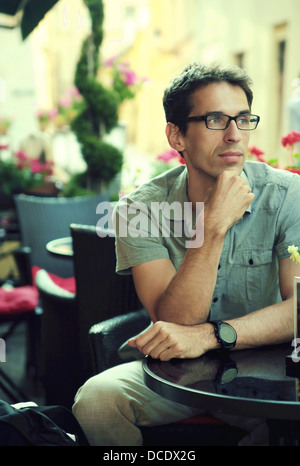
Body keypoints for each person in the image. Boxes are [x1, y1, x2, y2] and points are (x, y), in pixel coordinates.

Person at [72, 62, 300, 446]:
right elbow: (175, 319)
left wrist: (214, 336)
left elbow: (298, 308)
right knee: (96, 399)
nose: (234, 135)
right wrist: (212, 228)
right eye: (215, 119)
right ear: (176, 135)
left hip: (268, 368)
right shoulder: (139, 210)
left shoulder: (287, 195)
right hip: (178, 372)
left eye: (243, 120)